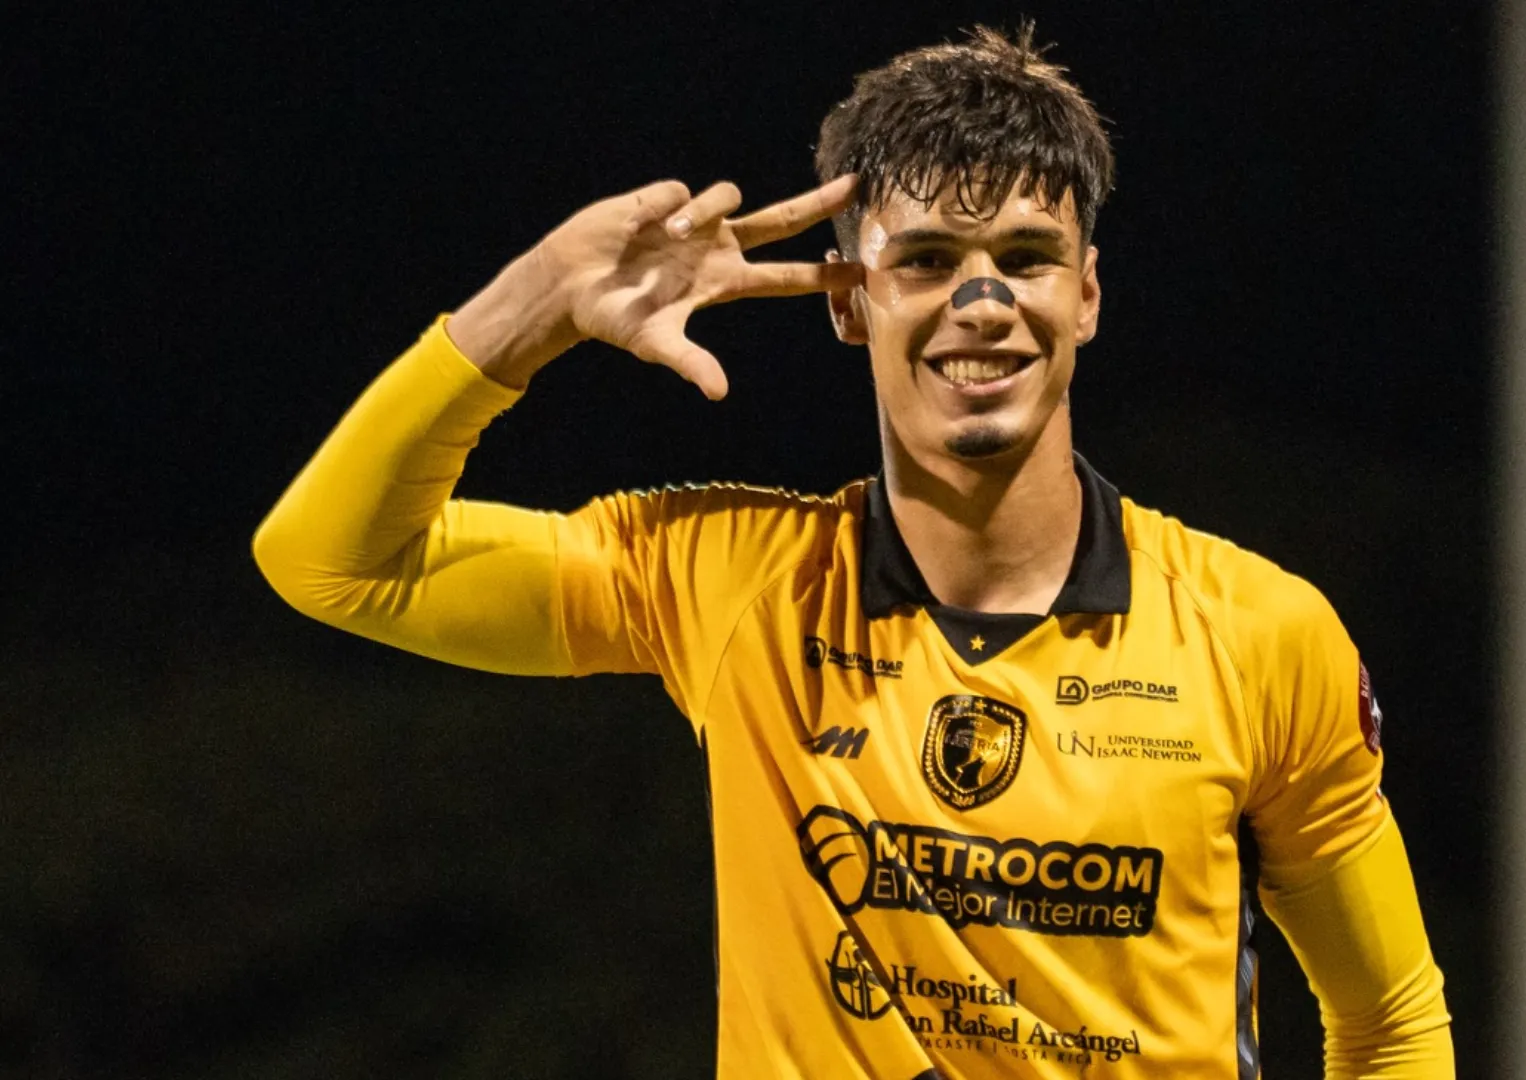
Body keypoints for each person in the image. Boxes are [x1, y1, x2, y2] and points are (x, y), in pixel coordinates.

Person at [253, 24, 1452, 1080]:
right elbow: (333, 562)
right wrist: (533, 306)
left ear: (1085, 297)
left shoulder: (1260, 633)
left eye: (1027, 258)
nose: (982, 301)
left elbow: (1392, 1022)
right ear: (846, 300)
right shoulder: (726, 578)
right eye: (925, 259)